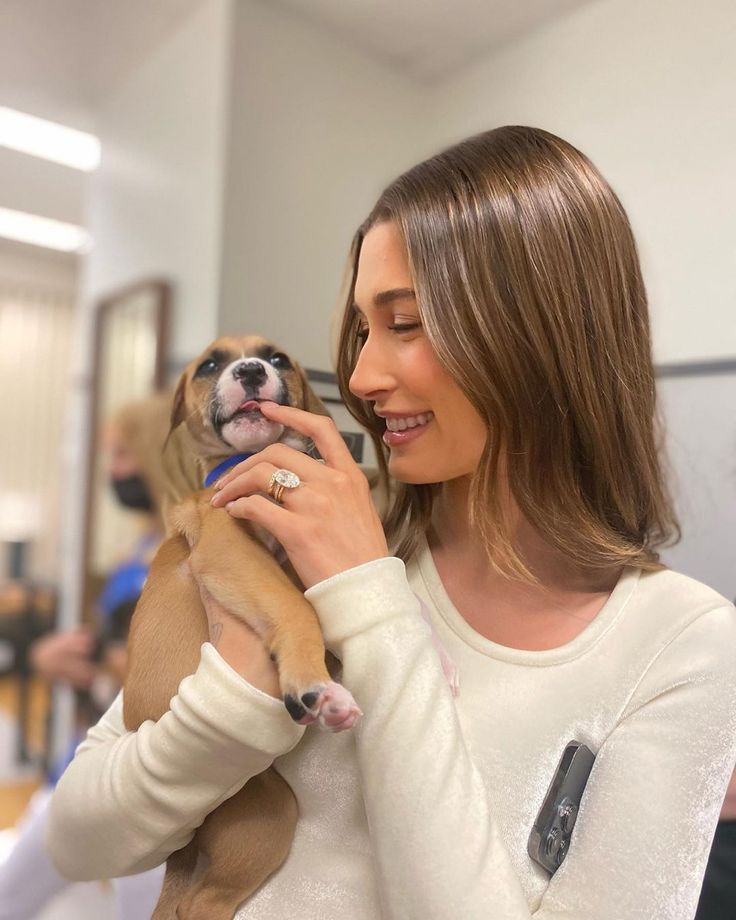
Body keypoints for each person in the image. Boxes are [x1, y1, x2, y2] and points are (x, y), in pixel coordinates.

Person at [46, 127, 736, 919]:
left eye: (405, 324)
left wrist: (370, 602)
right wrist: (242, 692)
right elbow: (80, 839)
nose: (363, 377)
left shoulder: (684, 645)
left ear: (543, 335)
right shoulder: (306, 534)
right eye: (363, 330)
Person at [0, 392, 171, 920]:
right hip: (86, 756)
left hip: (145, 774)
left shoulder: (183, 552)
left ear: (153, 453)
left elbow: (171, 668)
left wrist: (102, 661)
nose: (112, 471)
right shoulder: (139, 547)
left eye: (121, 455)